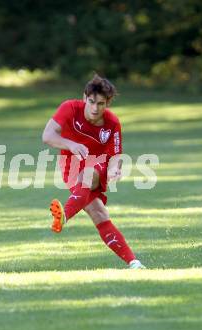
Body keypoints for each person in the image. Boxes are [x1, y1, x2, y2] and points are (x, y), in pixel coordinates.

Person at [42, 74, 145, 269]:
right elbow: (47, 135)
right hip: (70, 165)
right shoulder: (69, 108)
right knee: (99, 213)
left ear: (108, 103)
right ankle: (134, 262)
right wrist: (71, 145)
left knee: (88, 175)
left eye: (101, 104)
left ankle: (64, 216)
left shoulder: (112, 123)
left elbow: (115, 155)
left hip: (98, 165)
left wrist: (115, 171)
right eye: (91, 102)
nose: (95, 108)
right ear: (84, 98)